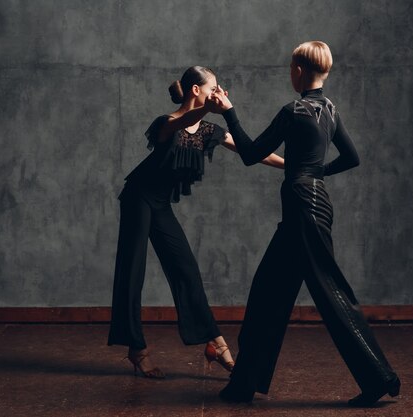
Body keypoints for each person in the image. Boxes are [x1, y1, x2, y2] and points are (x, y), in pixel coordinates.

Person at [207, 42, 400, 405]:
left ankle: (379, 378)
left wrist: (229, 112)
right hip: (315, 202)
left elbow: (251, 154)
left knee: (331, 294)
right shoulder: (329, 109)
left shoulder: (294, 109)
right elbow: (352, 158)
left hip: (300, 205)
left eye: (290, 68)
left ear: (297, 70)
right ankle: (243, 383)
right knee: (268, 291)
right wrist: (313, 174)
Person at [108, 66, 284, 378]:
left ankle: (215, 343)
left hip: (160, 204)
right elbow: (185, 120)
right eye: (213, 87)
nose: (219, 92)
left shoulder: (208, 131)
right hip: (138, 198)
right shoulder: (169, 123)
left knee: (186, 270)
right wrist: (209, 108)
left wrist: (293, 165)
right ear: (195, 91)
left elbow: (253, 151)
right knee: (132, 273)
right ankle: (136, 349)